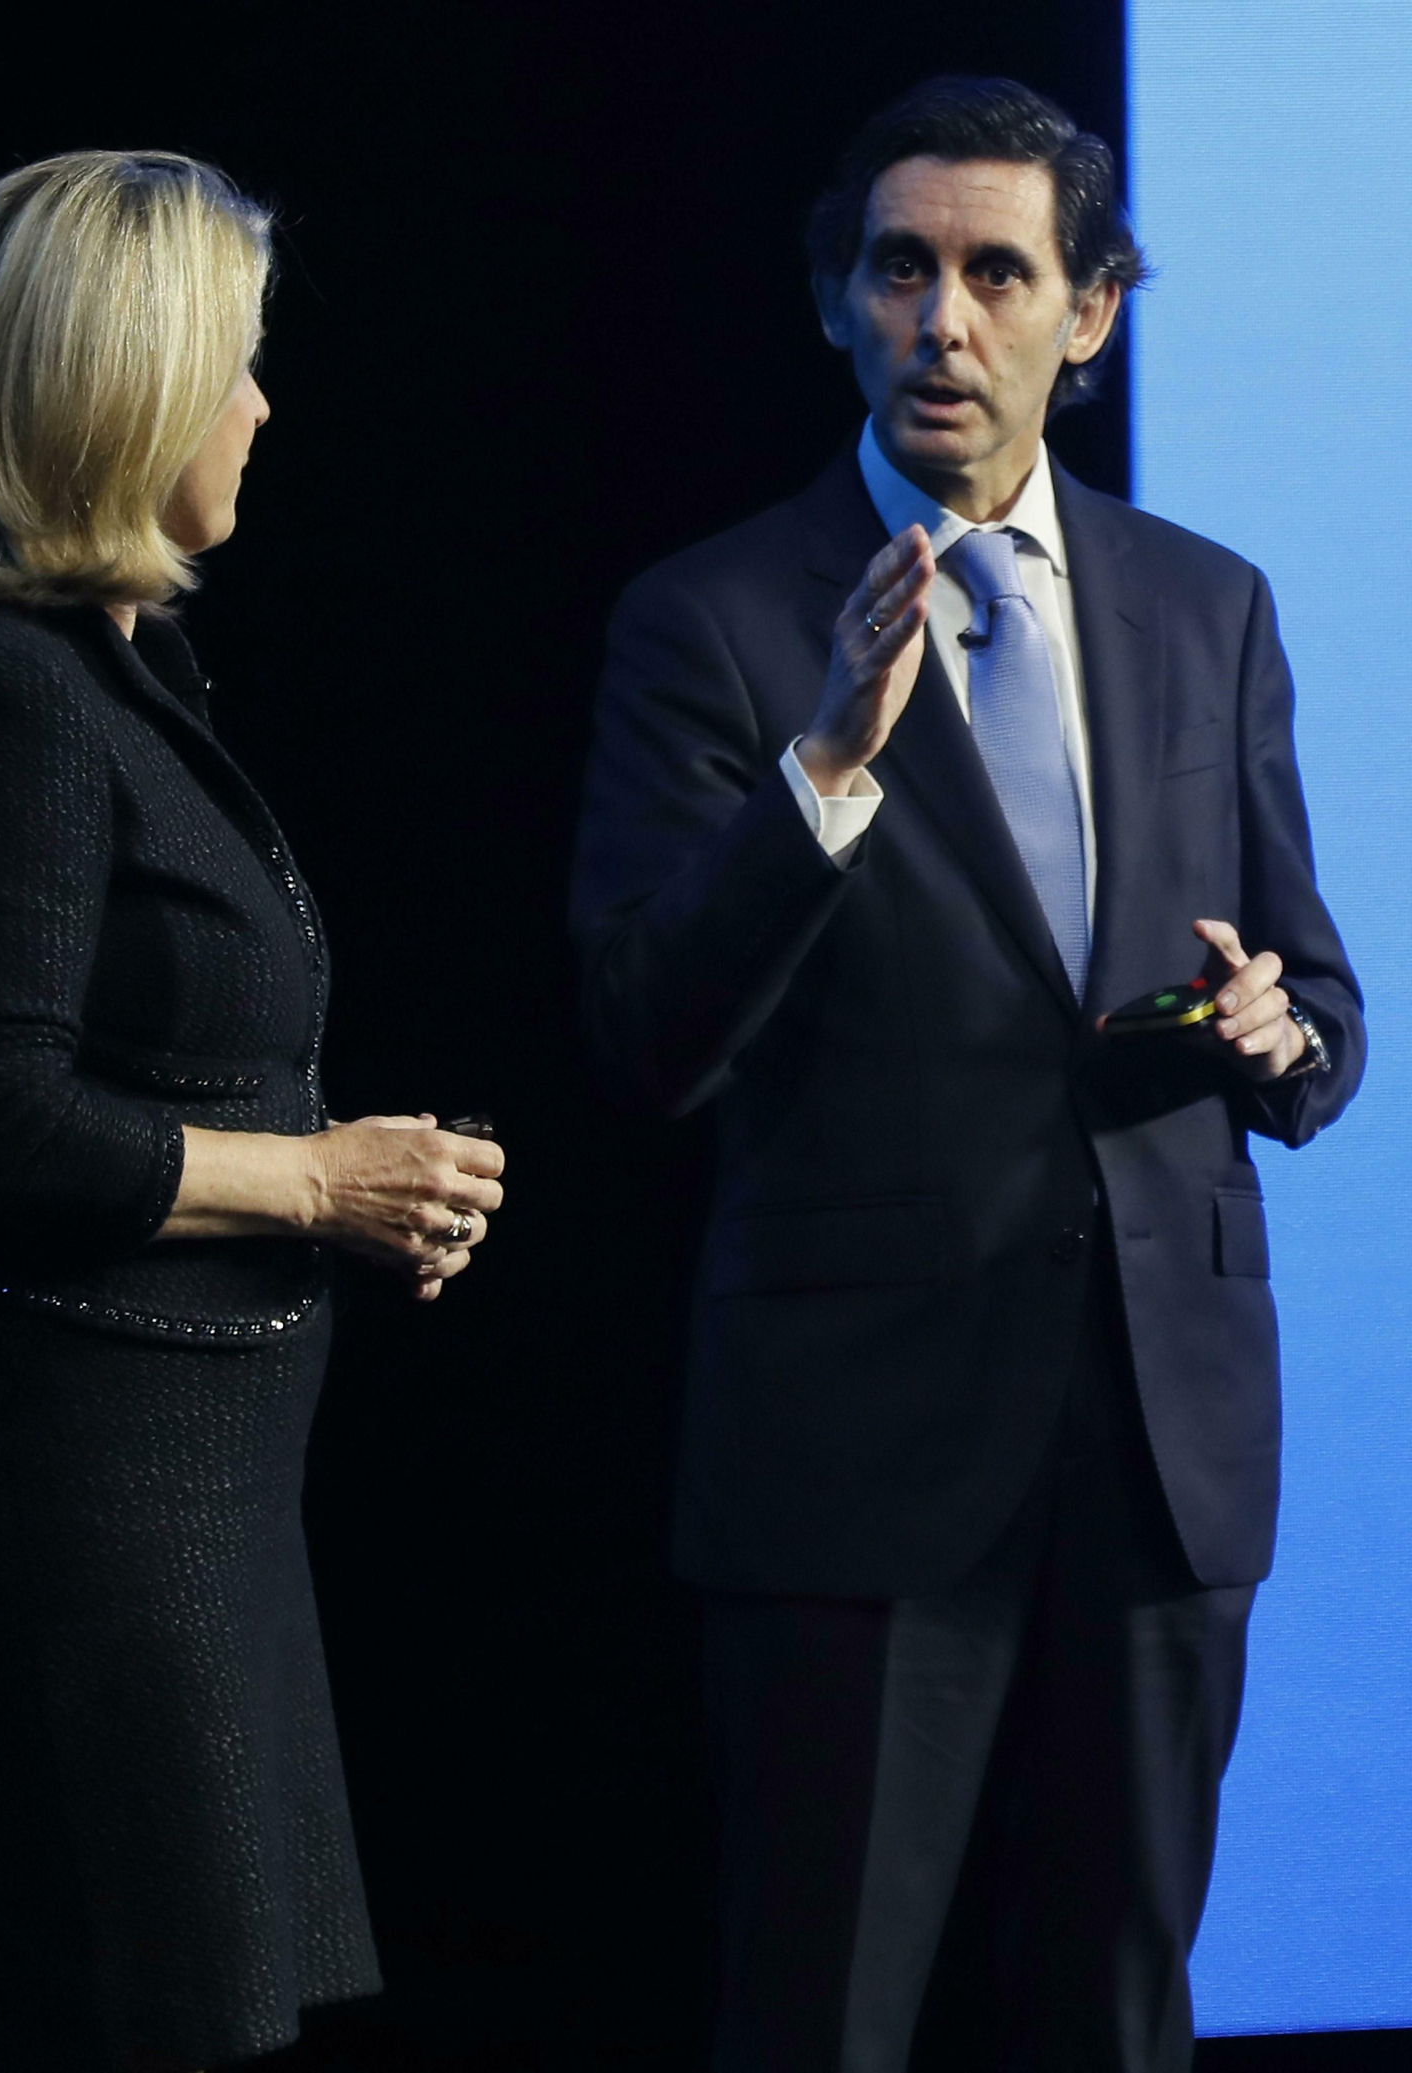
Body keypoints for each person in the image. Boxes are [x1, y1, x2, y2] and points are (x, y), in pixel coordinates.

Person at [571, 76, 1364, 2073]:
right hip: (855, 1442)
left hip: (1156, 1432)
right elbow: (646, 1031)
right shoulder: (712, 618)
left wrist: (1279, 1034)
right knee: (821, 2014)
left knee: (1116, 2013)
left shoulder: (1209, 603)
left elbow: (1317, 1005)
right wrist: (824, 765)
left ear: (1084, 316)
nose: (941, 318)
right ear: (836, 303)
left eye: (995, 272)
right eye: (898, 269)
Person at [0, 151, 505, 2073]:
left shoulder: (108, 670)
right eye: (240, 365)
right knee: (113, 2021)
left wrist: (351, 1193)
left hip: (177, 1508)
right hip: (63, 1519)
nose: (265, 410)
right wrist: (318, 1182)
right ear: (125, 389)